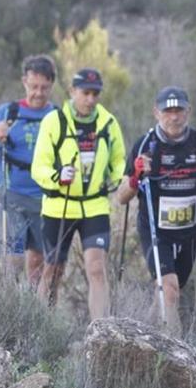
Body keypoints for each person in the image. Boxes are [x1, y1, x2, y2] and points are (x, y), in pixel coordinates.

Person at [117, 86, 196, 336]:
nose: (174, 117)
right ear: (156, 113)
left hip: (189, 231)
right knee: (169, 288)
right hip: (156, 230)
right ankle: (175, 349)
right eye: (168, 111)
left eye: (179, 110)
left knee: (170, 289)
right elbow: (122, 197)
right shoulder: (145, 145)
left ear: (188, 112)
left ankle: (143, 333)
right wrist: (135, 176)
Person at [32, 68, 126, 320]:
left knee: (96, 269)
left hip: (95, 206)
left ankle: (101, 332)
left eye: (96, 94)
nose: (91, 99)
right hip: (58, 206)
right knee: (53, 270)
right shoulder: (54, 121)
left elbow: (119, 161)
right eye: (86, 93)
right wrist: (58, 176)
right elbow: (39, 165)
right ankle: (43, 326)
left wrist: (116, 179)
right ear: (72, 91)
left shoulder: (108, 123)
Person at [0, 55, 57, 285]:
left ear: (52, 85)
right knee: (13, 259)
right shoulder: (7, 113)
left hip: (46, 199)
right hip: (11, 197)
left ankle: (32, 313)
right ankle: (8, 308)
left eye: (44, 87)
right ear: (24, 82)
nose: (38, 93)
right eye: (33, 87)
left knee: (38, 263)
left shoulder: (57, 116)